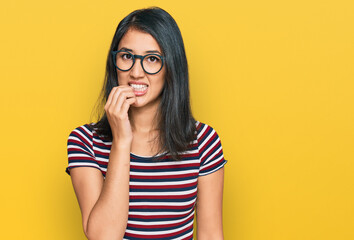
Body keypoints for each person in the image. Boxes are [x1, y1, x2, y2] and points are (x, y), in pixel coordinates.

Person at [65, 6, 227, 240]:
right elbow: (103, 237)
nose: (136, 72)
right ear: (115, 62)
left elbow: (211, 234)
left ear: (172, 66)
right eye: (127, 56)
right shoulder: (84, 142)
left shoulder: (204, 142)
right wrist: (121, 142)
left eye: (152, 59)